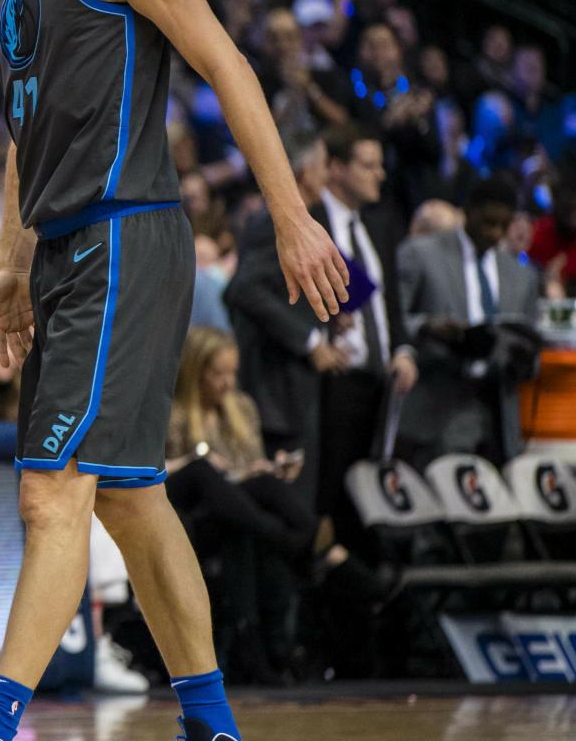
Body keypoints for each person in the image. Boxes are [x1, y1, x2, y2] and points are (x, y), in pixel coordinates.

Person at [0, 0, 351, 740]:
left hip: (128, 232)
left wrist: (291, 214)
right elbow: (26, 128)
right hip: (59, 248)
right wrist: (12, 262)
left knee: (51, 490)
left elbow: (225, 61)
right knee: (131, 501)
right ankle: (212, 725)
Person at [163, 328, 387, 683]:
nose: (227, 383)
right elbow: (161, 475)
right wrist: (195, 458)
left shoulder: (240, 408)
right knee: (205, 473)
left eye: (232, 373)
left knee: (260, 492)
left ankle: (267, 648)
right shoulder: (171, 414)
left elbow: (246, 471)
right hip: (192, 515)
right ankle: (320, 548)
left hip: (238, 514)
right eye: (218, 374)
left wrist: (267, 466)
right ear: (195, 371)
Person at [311, 124, 419, 521]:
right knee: (330, 496)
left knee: (368, 503)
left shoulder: (379, 224)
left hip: (381, 384)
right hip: (331, 384)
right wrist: (316, 338)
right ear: (336, 168)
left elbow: (390, 305)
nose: (380, 174)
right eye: (368, 165)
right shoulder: (310, 219)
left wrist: (404, 351)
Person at [224, 135, 335, 510]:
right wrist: (310, 341)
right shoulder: (272, 221)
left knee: (301, 505)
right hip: (275, 390)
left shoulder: (304, 219)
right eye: (323, 166)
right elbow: (244, 289)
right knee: (287, 508)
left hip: (294, 388)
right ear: (304, 172)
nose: (328, 174)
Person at [397, 177, 540, 463]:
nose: (495, 233)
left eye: (504, 225)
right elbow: (391, 320)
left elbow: (530, 342)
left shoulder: (522, 275)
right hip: (435, 402)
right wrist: (427, 327)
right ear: (468, 211)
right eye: (488, 223)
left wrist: (525, 359)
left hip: (497, 410)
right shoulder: (422, 253)